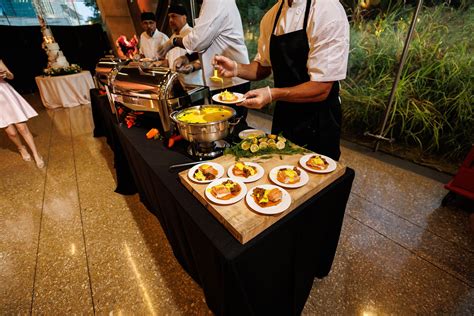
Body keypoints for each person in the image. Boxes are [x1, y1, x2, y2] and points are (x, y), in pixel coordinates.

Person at [214, 0, 350, 160]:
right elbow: (263, 65)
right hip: (285, 115)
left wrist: (272, 94)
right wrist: (237, 69)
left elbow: (322, 88)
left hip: (319, 120)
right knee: (280, 168)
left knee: (318, 177)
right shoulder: (272, 16)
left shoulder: (327, 10)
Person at [157, 0, 250, 121]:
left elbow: (197, 40)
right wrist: (188, 57)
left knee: (231, 125)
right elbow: (209, 41)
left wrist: (173, 42)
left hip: (231, 80)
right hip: (223, 79)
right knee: (222, 124)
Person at [0, 60, 44, 168]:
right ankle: (21, 148)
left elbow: (11, 76)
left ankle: (36, 154)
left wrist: (6, 74)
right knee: (11, 133)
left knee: (22, 128)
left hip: (6, 95)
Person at [163, 4, 203, 86]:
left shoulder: (193, 34)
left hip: (193, 85)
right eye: (169, 17)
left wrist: (192, 67)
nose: (170, 20)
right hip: (177, 85)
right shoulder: (172, 37)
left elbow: (203, 58)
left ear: (184, 17)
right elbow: (168, 61)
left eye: (174, 16)